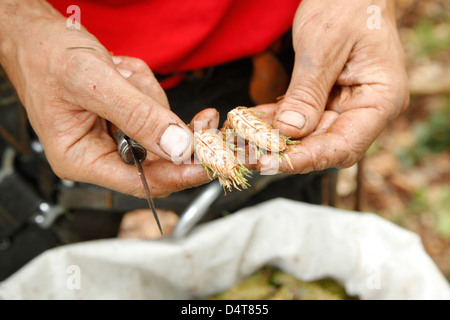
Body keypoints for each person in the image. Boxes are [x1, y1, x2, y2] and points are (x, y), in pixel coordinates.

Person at [0, 0, 409, 278]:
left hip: (284, 61)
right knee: (52, 258)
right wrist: (16, 27)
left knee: (275, 267)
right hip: (51, 77)